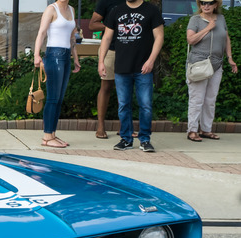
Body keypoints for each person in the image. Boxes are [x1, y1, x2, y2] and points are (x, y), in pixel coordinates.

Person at [98, 0, 164, 153]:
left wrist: (151, 60)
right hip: (121, 67)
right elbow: (107, 38)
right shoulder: (116, 10)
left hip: (144, 68)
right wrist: (101, 61)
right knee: (123, 106)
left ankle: (145, 139)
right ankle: (126, 139)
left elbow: (159, 37)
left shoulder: (151, 10)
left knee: (146, 105)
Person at [185, 0, 237, 142]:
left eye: (210, 2)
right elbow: (190, 40)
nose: (206, 5)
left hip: (217, 64)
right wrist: (208, 28)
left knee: (210, 100)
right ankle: (192, 130)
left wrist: (230, 58)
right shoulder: (195, 20)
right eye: (203, 2)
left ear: (216, 5)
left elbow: (226, 38)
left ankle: (206, 129)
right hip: (199, 64)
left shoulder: (221, 18)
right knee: (197, 99)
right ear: (199, 5)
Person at [34, 0, 81, 148]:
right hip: (54, 55)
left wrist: (76, 58)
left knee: (59, 98)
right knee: (53, 98)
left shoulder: (71, 9)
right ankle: (47, 136)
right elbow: (42, 32)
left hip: (66, 55)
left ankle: (52, 134)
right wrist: (36, 54)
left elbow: (72, 37)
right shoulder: (51, 9)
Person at [89, 0, 126, 139]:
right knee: (106, 86)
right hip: (110, 49)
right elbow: (92, 24)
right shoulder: (106, 1)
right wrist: (110, 27)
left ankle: (124, 126)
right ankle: (100, 126)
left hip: (128, 51)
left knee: (125, 87)